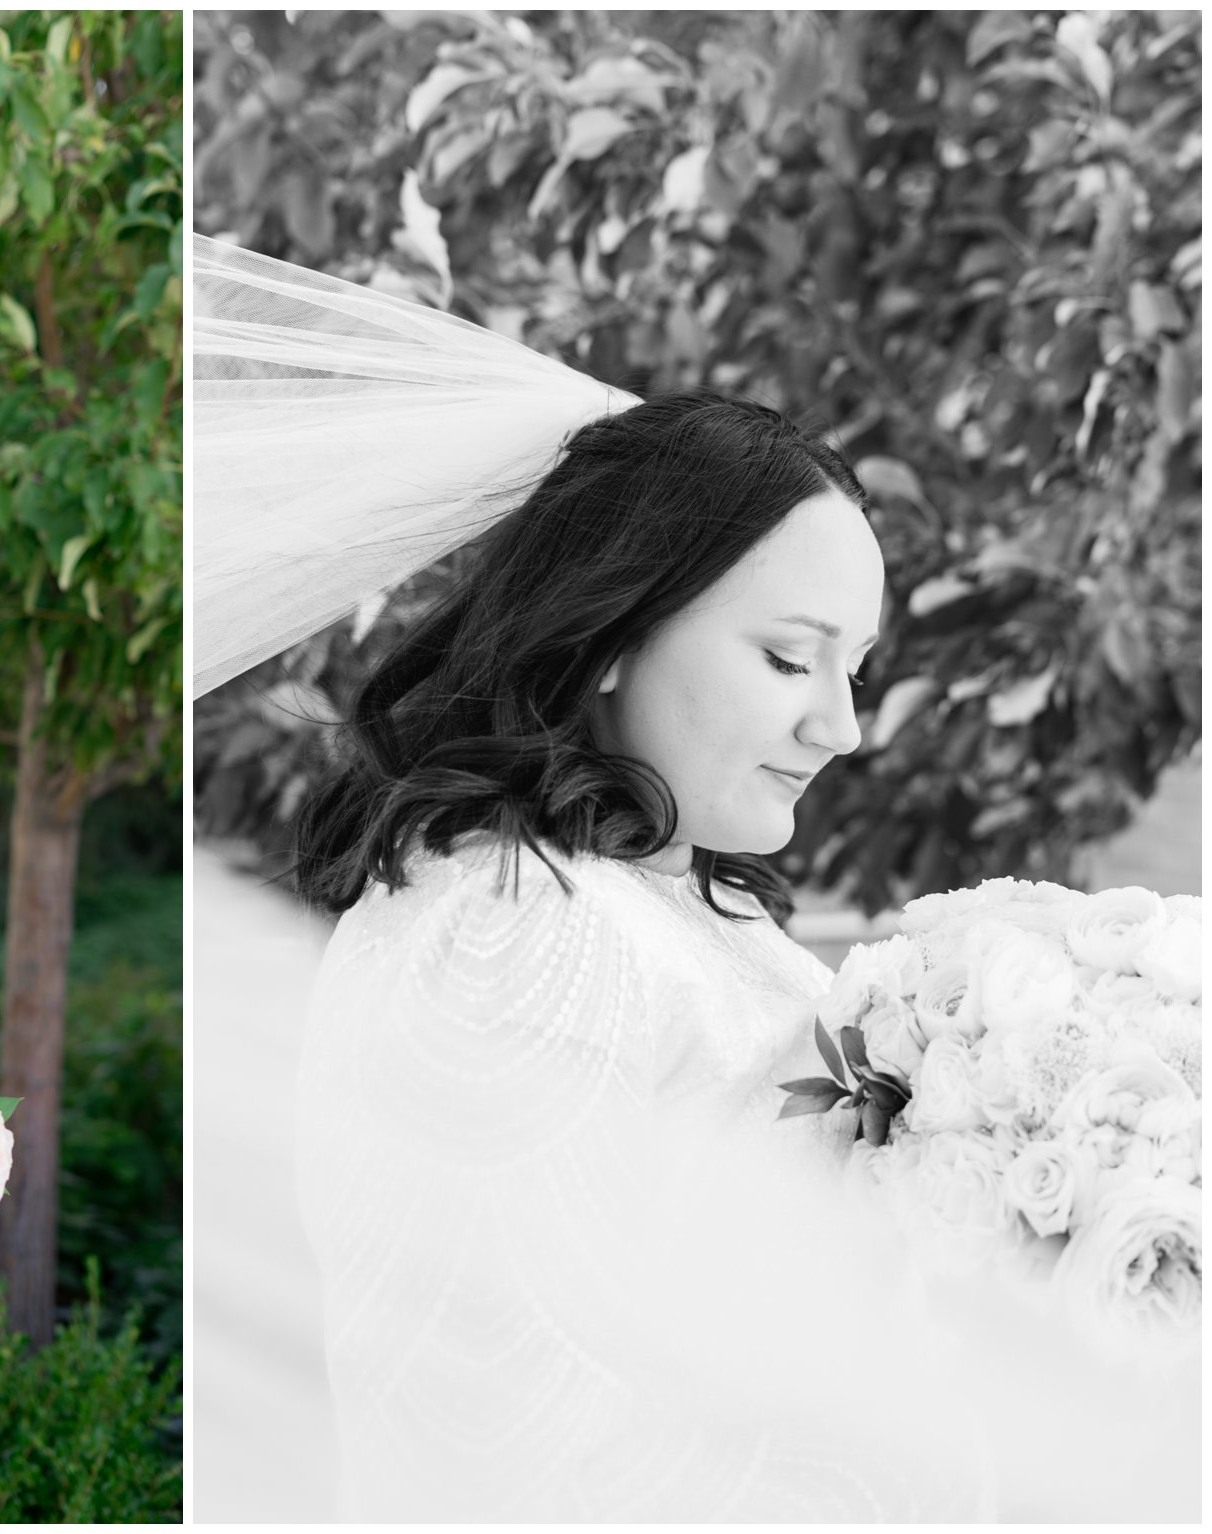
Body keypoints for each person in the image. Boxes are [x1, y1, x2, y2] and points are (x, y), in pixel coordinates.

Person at [193, 237, 1198, 1521]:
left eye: (855, 669)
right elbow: (501, 1429)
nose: (839, 726)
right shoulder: (513, 930)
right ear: (611, 633)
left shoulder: (660, 902)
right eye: (789, 659)